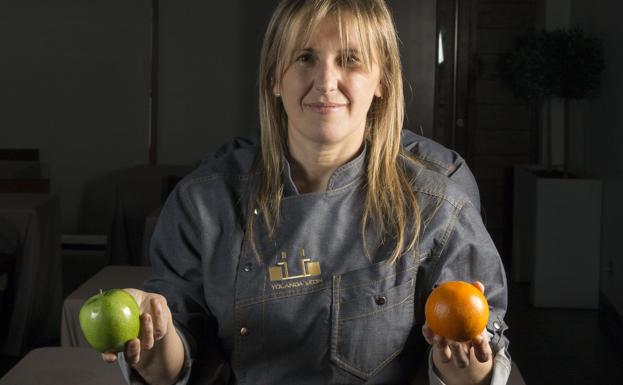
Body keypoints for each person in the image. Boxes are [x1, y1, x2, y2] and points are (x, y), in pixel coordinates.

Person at [103, 0, 510, 384]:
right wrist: (153, 345)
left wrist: (461, 367)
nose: (326, 81)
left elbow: (480, 357)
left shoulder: (436, 204)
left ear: (382, 80)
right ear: (274, 78)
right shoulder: (206, 202)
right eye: (305, 58)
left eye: (349, 59)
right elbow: (175, 359)